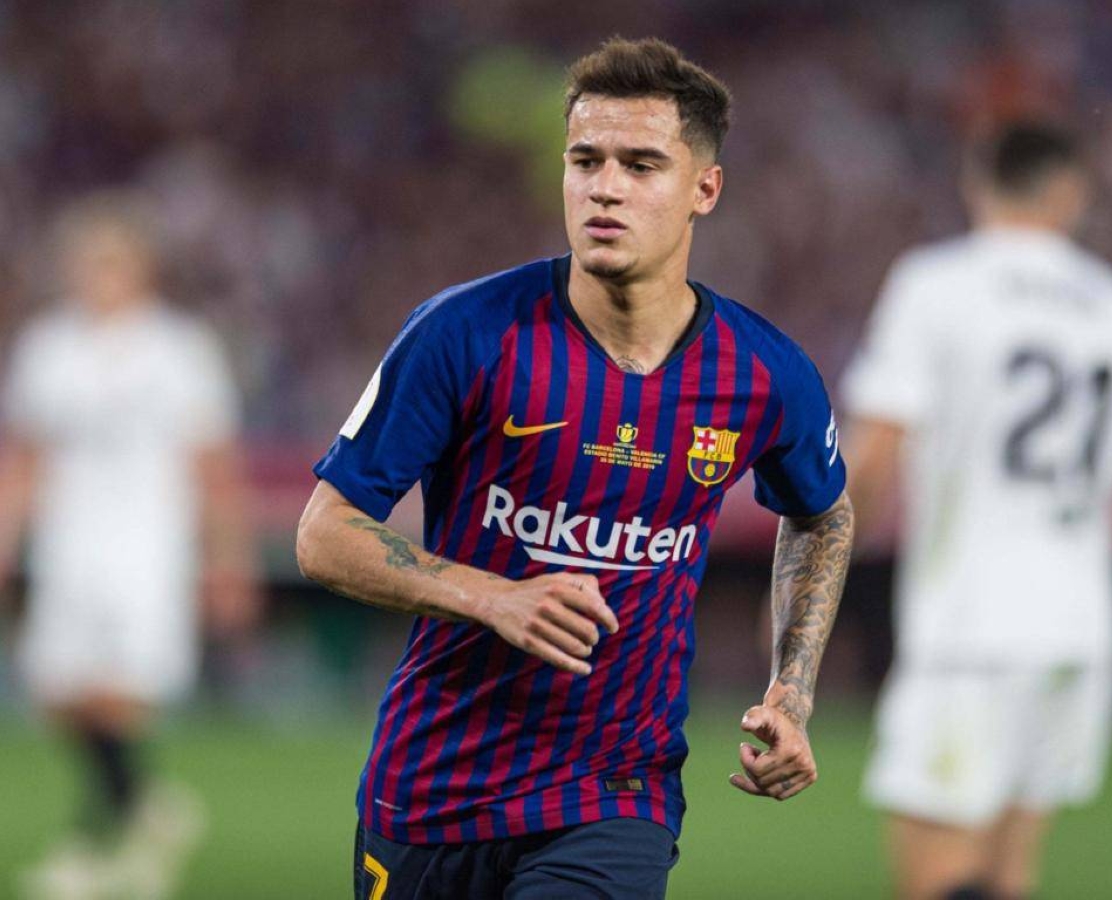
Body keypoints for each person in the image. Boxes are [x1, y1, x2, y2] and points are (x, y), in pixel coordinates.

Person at [297, 37, 853, 899]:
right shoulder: (462, 334)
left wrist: (792, 691)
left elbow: (823, 512)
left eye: (642, 165)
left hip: (613, 793)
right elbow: (324, 534)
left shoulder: (764, 373)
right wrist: (492, 596)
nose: (605, 187)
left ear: (705, 189)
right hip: (434, 788)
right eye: (585, 160)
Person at [841, 122, 1112, 900]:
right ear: (1072, 194)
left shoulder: (936, 286)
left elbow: (872, 459)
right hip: (1079, 631)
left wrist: (808, 585)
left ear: (978, 182)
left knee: (936, 874)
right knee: (1008, 875)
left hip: (970, 623)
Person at [0, 191, 261, 900]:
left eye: (111, 261)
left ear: (141, 268)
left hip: (148, 544)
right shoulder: (47, 348)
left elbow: (213, 465)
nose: (98, 275)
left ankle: (94, 840)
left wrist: (227, 560)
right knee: (57, 691)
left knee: (122, 693)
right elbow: (25, 457)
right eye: (88, 262)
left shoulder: (180, 351)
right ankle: (149, 804)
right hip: (67, 543)